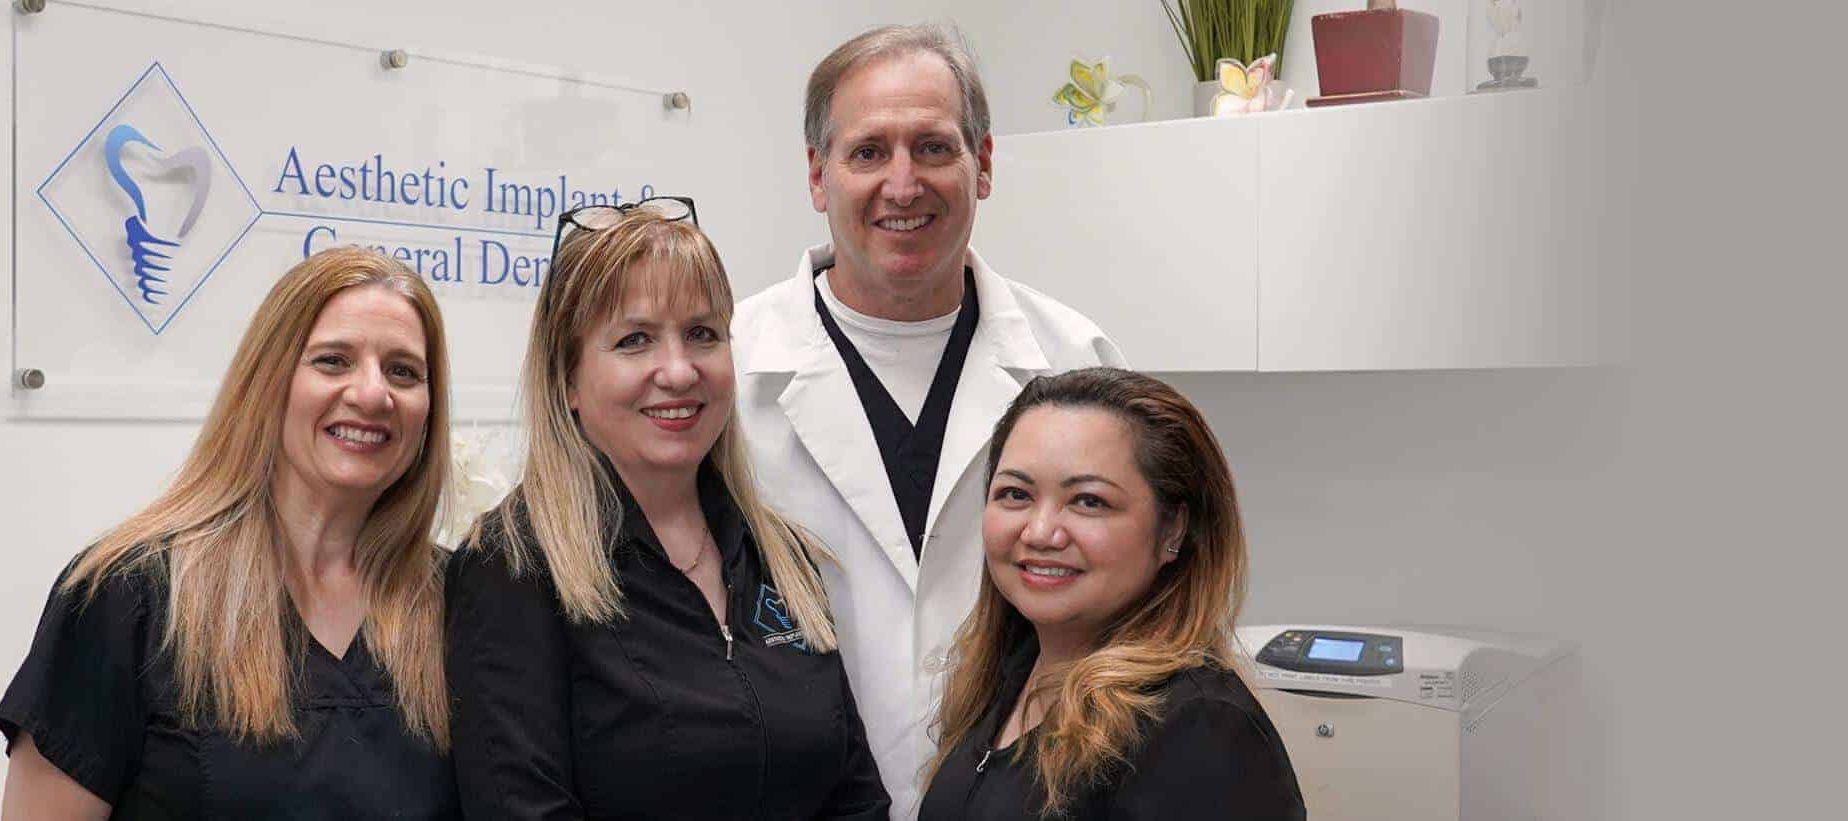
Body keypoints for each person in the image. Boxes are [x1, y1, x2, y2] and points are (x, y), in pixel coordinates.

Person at [729, 23, 1125, 815]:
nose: (902, 184)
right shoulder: (728, 371)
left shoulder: (1076, 359)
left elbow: (1140, 610)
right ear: (818, 175)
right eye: (868, 152)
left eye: (934, 149)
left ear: (983, 165)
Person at [445, 198, 890, 820]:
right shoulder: (512, 566)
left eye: (702, 335)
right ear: (567, 379)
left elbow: (855, 797)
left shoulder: (781, 557)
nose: (679, 372)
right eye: (635, 340)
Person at [0, 247, 459, 819]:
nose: (372, 393)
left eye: (404, 371)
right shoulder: (125, 595)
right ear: (267, 380)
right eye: (333, 361)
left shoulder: (458, 603)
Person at [917, 368, 1303, 819]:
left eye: (1089, 501)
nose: (1040, 532)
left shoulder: (1198, 728)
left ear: (1172, 528)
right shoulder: (1010, 676)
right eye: (1016, 494)